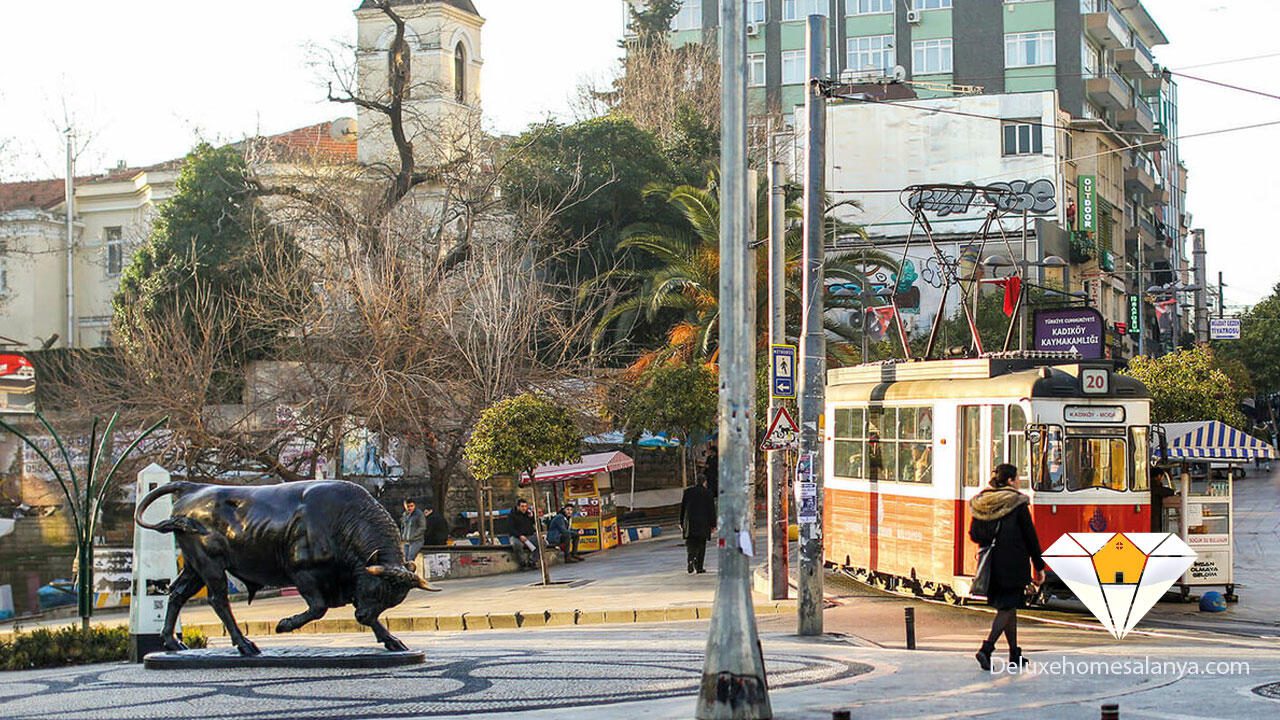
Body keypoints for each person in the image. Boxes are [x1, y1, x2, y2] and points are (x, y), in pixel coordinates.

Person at [969, 463, 1045, 671]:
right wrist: (1039, 567)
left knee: (1009, 607)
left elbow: (975, 535)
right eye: (1018, 478)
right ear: (1011, 481)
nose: (1019, 482)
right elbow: (1030, 537)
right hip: (1012, 563)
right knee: (1007, 608)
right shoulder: (1017, 503)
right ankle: (986, 648)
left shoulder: (982, 502)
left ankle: (1014, 653)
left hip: (991, 564)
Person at [680, 475, 716, 574]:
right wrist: (713, 524)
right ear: (704, 482)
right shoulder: (708, 493)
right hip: (703, 523)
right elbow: (711, 510)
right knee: (701, 544)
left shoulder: (687, 492)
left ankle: (691, 559)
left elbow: (683, 508)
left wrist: (682, 522)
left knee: (691, 544)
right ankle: (699, 566)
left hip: (690, 522)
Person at [508, 498, 540, 569]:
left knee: (541, 542)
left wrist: (532, 517)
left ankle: (532, 561)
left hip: (529, 536)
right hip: (516, 536)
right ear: (518, 507)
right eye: (522, 506)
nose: (524, 508)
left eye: (525, 506)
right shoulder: (512, 515)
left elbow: (537, 524)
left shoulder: (528, 514)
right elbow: (511, 528)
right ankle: (523, 563)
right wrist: (519, 535)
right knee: (516, 545)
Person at [400, 498, 426, 564]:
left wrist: (414, 535)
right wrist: (403, 535)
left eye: (412, 506)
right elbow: (403, 526)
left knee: (410, 558)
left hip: (416, 541)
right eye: (408, 506)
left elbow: (422, 527)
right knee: (405, 559)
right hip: (407, 541)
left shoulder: (419, 514)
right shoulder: (405, 514)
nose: (410, 508)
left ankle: (410, 573)